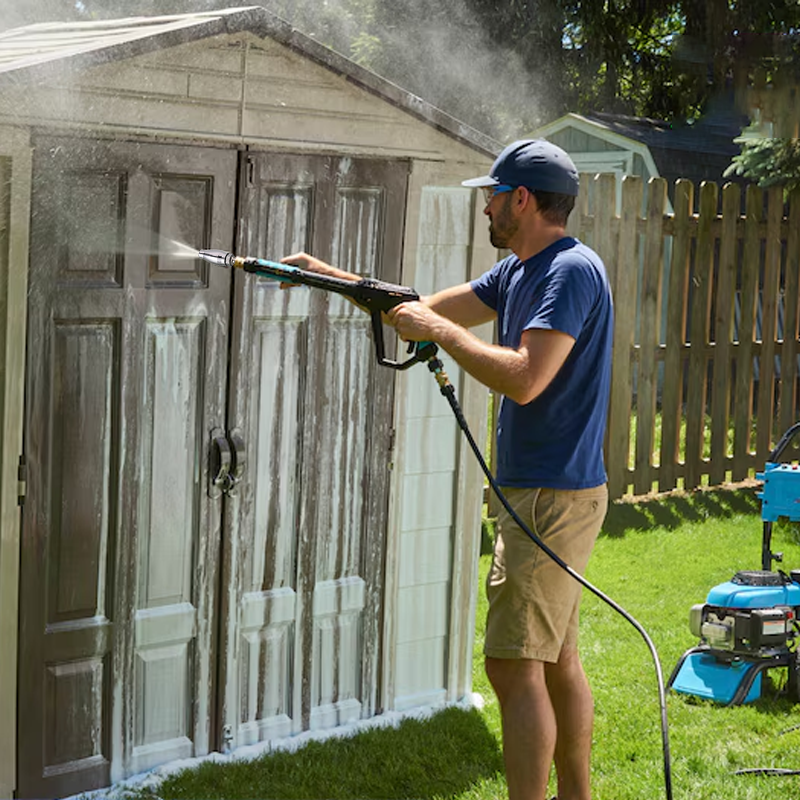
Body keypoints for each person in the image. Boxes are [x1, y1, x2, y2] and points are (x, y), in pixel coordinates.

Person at [282, 139, 613, 800]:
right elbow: (419, 308)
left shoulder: (568, 271)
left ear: (521, 198)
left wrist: (441, 335)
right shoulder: (523, 270)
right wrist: (324, 275)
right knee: (554, 661)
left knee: (513, 664)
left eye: (491, 196)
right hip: (548, 491)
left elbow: (524, 378)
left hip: (551, 495)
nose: (484, 208)